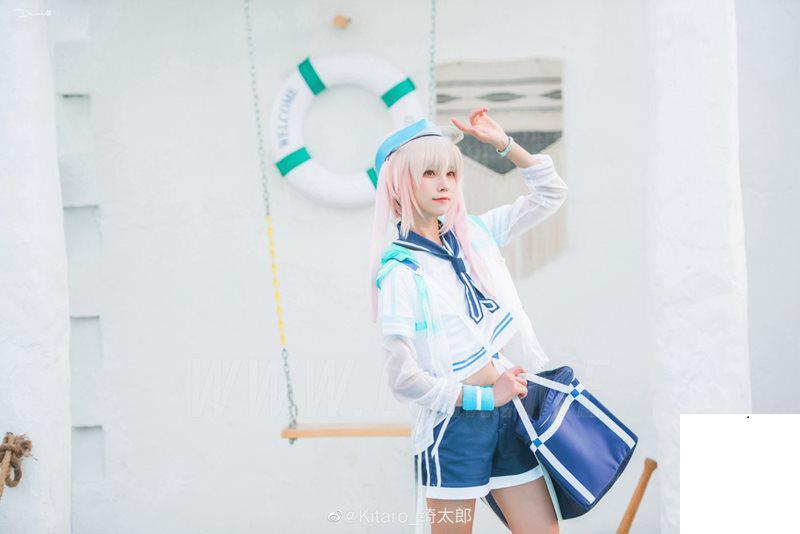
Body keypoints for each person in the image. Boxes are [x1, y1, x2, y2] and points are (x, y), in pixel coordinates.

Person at [368, 108, 568, 534]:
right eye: (429, 173)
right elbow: (403, 378)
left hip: (508, 411)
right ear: (399, 186)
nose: (444, 184)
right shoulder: (400, 273)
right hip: (454, 425)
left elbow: (550, 194)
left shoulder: (475, 234)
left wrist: (504, 145)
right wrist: (484, 398)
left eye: (451, 173)